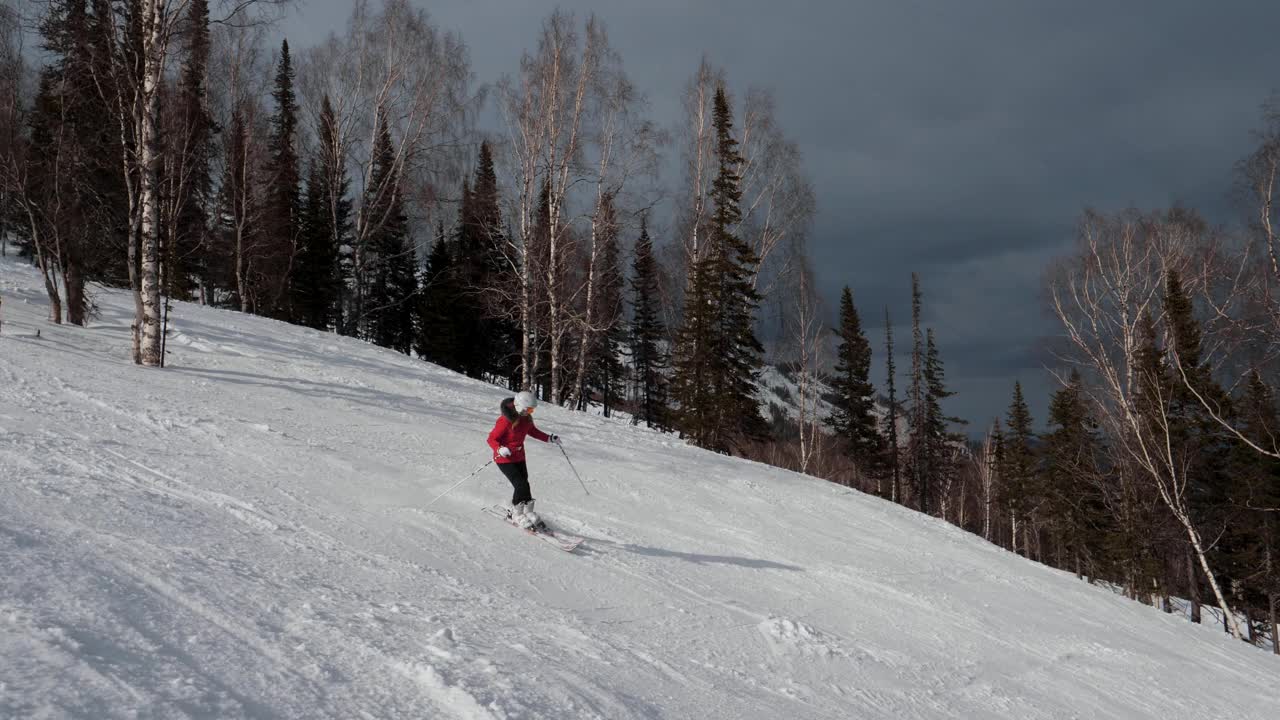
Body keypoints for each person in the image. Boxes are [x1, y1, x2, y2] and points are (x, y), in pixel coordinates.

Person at [487, 390, 560, 530]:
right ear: (520, 406)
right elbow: (491, 439)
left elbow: (533, 431)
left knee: (524, 484)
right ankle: (517, 514)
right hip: (504, 458)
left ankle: (528, 511)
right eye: (529, 409)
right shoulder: (505, 420)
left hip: (519, 457)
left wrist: (549, 438)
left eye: (532, 409)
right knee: (520, 484)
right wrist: (499, 448)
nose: (531, 412)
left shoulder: (526, 418)